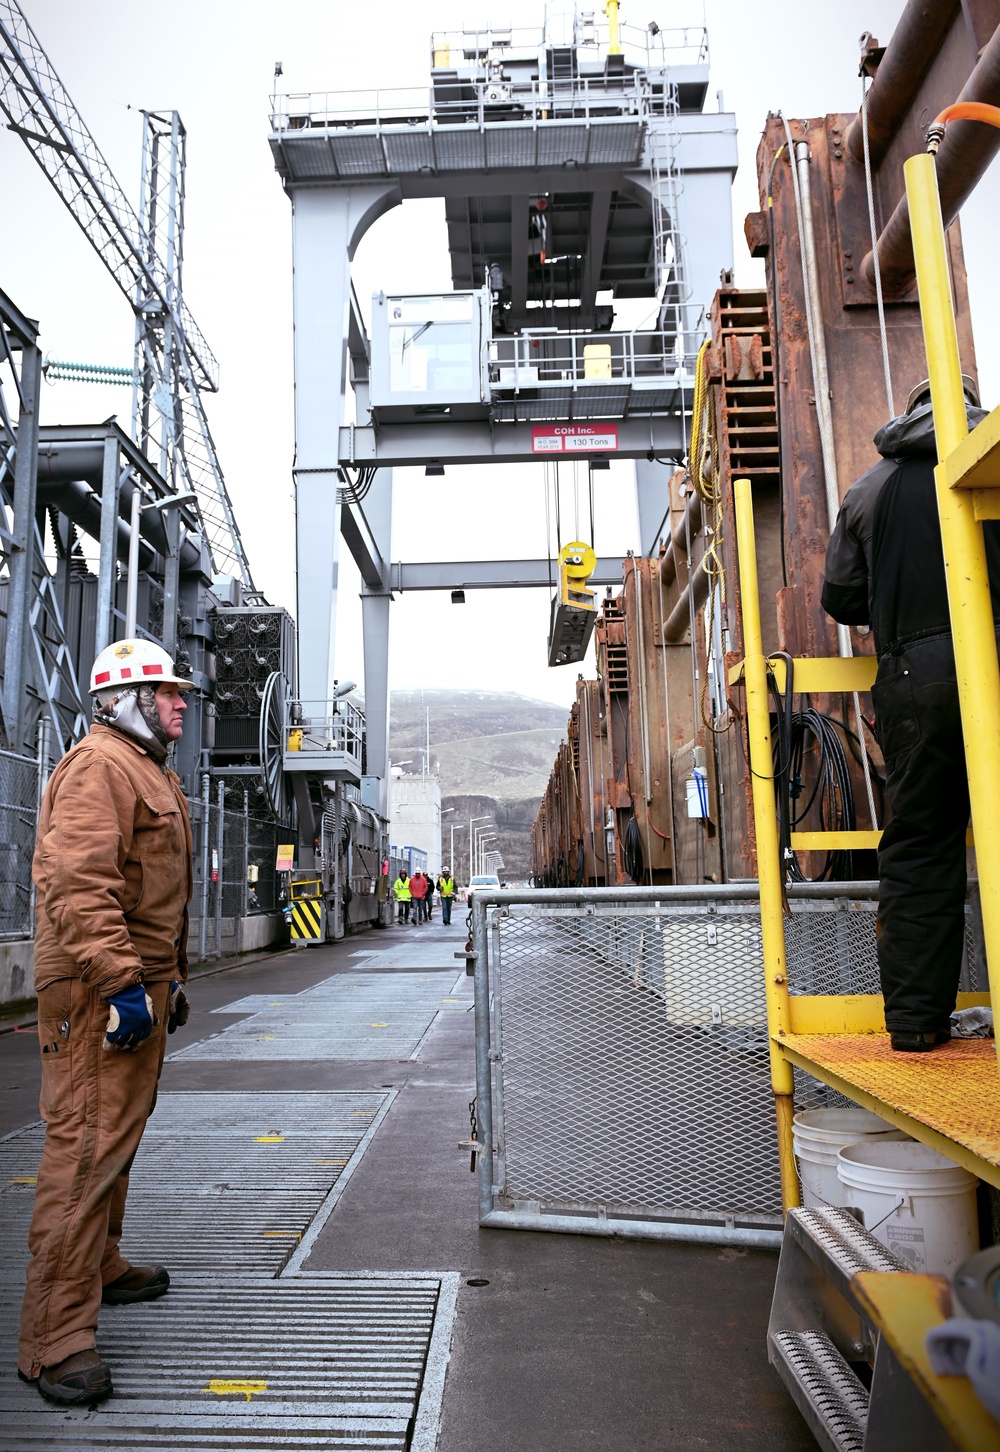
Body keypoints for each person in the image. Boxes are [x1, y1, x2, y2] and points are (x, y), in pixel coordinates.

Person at [18, 639, 194, 1406]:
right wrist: (124, 983)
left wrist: (164, 982)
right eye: (168, 692)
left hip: (133, 984)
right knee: (86, 1148)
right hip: (99, 991)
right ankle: (54, 1340)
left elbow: (142, 891)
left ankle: (102, 1264)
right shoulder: (100, 766)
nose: (182, 703)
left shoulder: (144, 767)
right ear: (128, 699)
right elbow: (79, 882)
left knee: (114, 1138)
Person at [821, 376, 1000, 1052]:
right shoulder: (994, 452)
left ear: (912, 410)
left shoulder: (872, 488)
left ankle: (918, 1024)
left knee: (923, 842)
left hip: (916, 678)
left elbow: (840, 598)